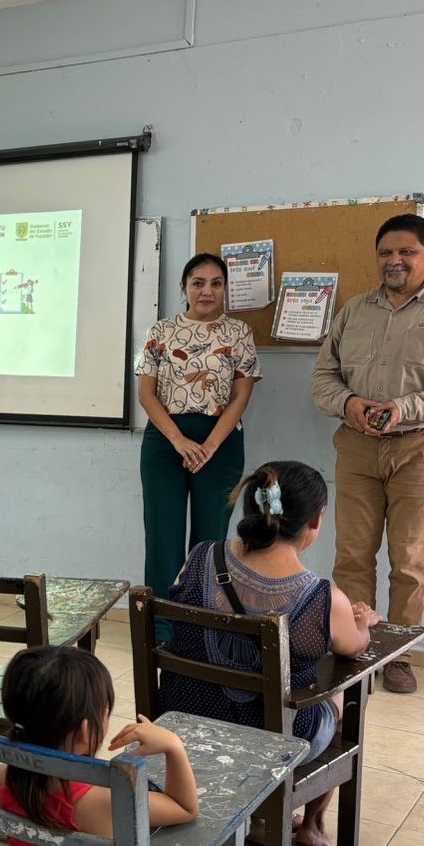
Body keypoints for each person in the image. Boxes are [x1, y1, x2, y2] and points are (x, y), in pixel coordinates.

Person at [161, 461, 379, 846]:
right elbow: (355, 648)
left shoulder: (199, 558)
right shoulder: (323, 598)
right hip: (270, 739)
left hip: (185, 720)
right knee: (348, 696)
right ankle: (311, 824)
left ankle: (256, 815)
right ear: (316, 521)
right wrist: (364, 621)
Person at [312, 214, 424, 694]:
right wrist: (348, 403)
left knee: (409, 559)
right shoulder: (353, 310)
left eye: (407, 252)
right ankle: (353, 649)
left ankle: (398, 655)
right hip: (358, 446)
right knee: (351, 556)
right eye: (386, 252)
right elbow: (324, 377)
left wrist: (403, 408)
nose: (395, 260)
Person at [0, 645, 200, 846]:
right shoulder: (103, 799)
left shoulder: (4, 777)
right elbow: (185, 808)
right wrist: (173, 746)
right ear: (85, 730)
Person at [136, 252, 262, 637]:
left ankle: (201, 629)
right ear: (183, 288)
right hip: (165, 442)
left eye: (216, 283)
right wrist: (179, 441)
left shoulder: (238, 333)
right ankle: (161, 630)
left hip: (219, 444)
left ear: (225, 289)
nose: (207, 291)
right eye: (198, 283)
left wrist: (207, 445)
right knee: (164, 536)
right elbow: (146, 394)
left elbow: (241, 396)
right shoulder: (160, 331)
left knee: (209, 540)